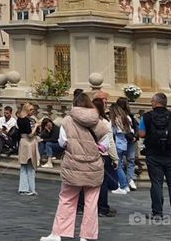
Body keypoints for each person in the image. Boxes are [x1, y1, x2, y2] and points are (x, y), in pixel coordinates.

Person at [40, 93, 112, 241]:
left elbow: (62, 142)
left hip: (73, 165)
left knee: (67, 199)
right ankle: (87, 236)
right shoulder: (99, 122)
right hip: (94, 167)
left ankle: (58, 233)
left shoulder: (67, 121)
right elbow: (106, 145)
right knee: (91, 203)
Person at [139, 92, 171, 222]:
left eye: (151, 101)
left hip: (154, 155)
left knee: (156, 184)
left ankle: (157, 213)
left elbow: (141, 134)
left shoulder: (147, 117)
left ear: (155, 103)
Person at [109, 102, 132, 195]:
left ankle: (123, 185)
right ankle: (124, 184)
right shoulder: (125, 119)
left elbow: (112, 132)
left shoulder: (115, 120)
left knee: (117, 166)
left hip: (117, 144)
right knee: (121, 165)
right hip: (124, 144)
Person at [116, 97, 139, 190]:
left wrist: (135, 136)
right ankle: (123, 181)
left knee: (131, 160)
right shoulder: (117, 116)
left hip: (130, 139)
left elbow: (135, 126)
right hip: (123, 139)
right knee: (121, 162)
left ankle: (129, 179)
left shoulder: (130, 115)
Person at [17, 102, 39, 196]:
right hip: (28, 143)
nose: (32, 111)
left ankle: (23, 187)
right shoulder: (26, 120)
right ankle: (31, 188)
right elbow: (30, 134)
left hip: (23, 142)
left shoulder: (19, 119)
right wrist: (37, 126)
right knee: (30, 166)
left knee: (24, 166)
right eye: (31, 109)